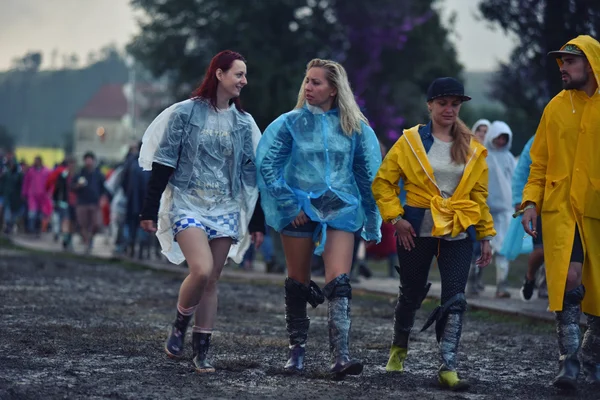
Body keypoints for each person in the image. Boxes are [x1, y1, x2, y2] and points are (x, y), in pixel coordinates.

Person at [138, 50, 265, 373]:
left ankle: (202, 350)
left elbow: (254, 175)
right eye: (238, 74)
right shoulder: (186, 114)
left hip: (225, 208)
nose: (244, 81)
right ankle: (181, 322)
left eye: (245, 75)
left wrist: (257, 221)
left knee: (213, 281)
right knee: (202, 269)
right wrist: (149, 209)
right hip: (187, 203)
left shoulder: (243, 122)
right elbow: (164, 161)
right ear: (219, 74)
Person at [256, 58, 382, 378]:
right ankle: (295, 353)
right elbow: (267, 164)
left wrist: (372, 217)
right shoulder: (290, 123)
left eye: (316, 82)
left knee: (339, 283)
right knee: (298, 281)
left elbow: (367, 174)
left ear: (334, 89)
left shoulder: (354, 127)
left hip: (340, 208)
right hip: (298, 210)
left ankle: (340, 356)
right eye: (307, 81)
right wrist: (289, 203)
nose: (308, 87)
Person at [372, 77, 494, 391]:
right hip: (416, 225)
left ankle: (448, 366)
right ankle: (399, 348)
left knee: (455, 298)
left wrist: (485, 235)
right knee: (411, 292)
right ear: (430, 106)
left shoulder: (473, 148)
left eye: (455, 104)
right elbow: (384, 183)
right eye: (443, 103)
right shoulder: (410, 141)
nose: (449, 109)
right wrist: (395, 218)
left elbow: (479, 195)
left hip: (458, 227)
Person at [520, 35, 600, 389]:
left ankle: (593, 356)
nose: (562, 68)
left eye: (570, 61)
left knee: (598, 289)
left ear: (591, 63)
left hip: (596, 211)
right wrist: (531, 203)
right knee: (568, 278)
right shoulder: (554, 107)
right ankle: (568, 361)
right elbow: (539, 162)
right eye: (561, 62)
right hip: (561, 209)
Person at [484, 121, 516, 298]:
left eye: (504, 138)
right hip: (484, 209)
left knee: (503, 247)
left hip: (505, 209)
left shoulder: (509, 158)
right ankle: (474, 281)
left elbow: (515, 179)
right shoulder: (483, 155)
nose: (501, 141)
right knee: (481, 247)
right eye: (498, 137)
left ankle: (501, 284)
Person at [513, 136, 546, 301]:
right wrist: (519, 200)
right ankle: (530, 275)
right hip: (540, 203)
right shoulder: (537, 139)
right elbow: (522, 170)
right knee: (541, 250)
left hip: (568, 205)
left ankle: (547, 285)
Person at [466, 118, 491, 295]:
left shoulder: (494, 155)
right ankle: (470, 280)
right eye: (480, 130)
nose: (482, 134)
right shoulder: (468, 152)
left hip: (489, 207)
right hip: (469, 206)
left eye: (486, 131)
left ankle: (478, 278)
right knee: (472, 245)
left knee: (487, 245)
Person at [72, 152, 107, 253]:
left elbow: (104, 188)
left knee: (96, 224)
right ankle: (87, 242)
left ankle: (90, 239)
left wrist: (103, 199)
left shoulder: (98, 174)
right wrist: (77, 186)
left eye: (90, 159)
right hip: (82, 203)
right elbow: (72, 187)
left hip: (95, 203)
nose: (88, 162)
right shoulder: (80, 173)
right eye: (86, 159)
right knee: (83, 224)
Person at [21, 156, 51, 235]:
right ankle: (31, 228)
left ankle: (38, 229)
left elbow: (50, 183)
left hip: (43, 196)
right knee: (32, 213)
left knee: (41, 215)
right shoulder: (31, 171)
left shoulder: (46, 171)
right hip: (32, 195)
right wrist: (24, 193)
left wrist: (50, 192)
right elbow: (26, 182)